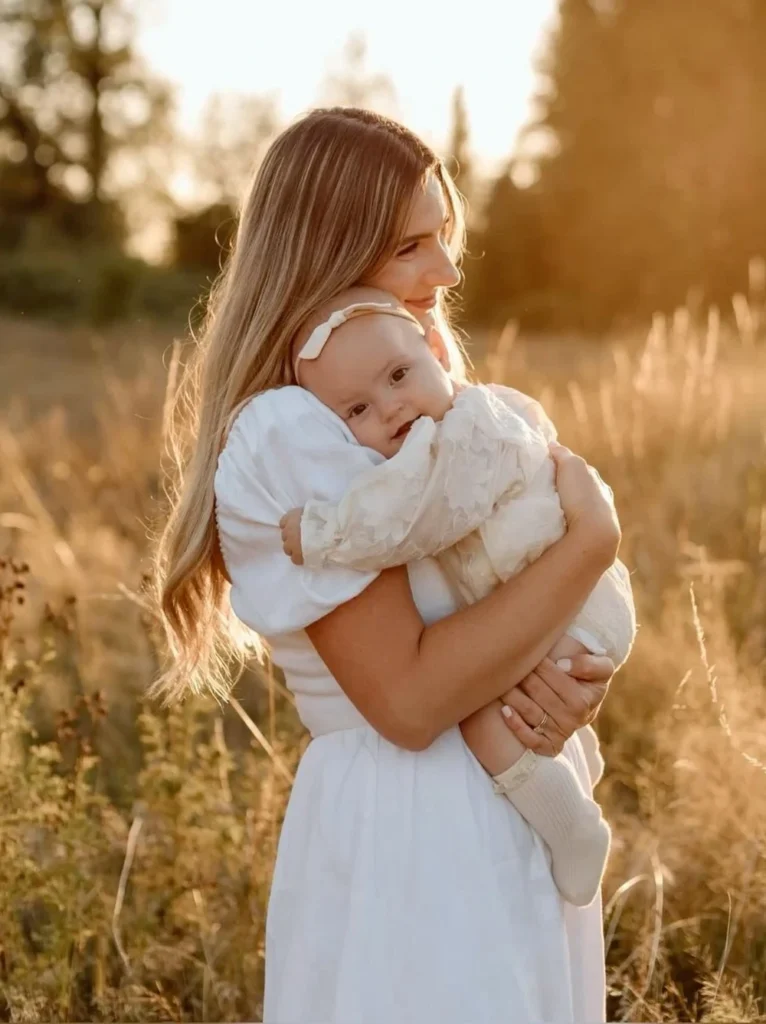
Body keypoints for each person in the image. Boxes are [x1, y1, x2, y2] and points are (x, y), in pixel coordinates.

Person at [152, 107, 622, 1024]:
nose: (445, 272)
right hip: (417, 833)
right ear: (326, 254)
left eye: (443, 237)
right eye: (411, 245)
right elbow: (408, 701)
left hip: (496, 808)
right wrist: (590, 544)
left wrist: (562, 682)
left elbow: (484, 608)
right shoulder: (297, 427)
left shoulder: (402, 398)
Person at [278, 284, 637, 907]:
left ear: (438, 349)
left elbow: (413, 518)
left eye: (398, 375)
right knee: (499, 706)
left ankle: (573, 829)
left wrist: (322, 532)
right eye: (356, 411)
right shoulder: (430, 440)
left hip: (586, 600)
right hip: (562, 597)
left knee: (488, 719)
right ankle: (572, 776)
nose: (390, 408)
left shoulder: (474, 429)